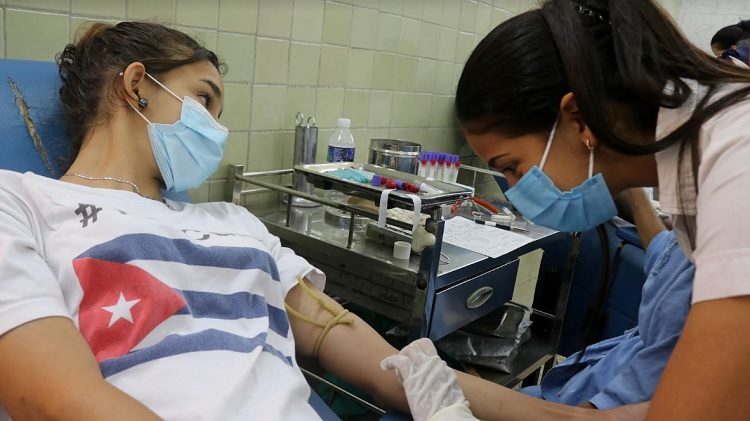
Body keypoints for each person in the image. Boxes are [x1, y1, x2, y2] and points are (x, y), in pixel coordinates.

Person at [0, 20, 646, 421]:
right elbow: (54, 399)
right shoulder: (19, 203)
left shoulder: (236, 225)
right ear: (138, 85)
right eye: (203, 100)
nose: (216, 130)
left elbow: (392, 369)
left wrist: (572, 420)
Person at [450, 0, 750, 418]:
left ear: (579, 120)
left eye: (512, 167)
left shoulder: (737, 166)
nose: (516, 191)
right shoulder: (697, 160)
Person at [521, 188, 693, 408]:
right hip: (571, 391)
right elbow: (662, 248)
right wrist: (632, 192)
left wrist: (475, 391)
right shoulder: (683, 251)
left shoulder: (692, 293)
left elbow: (591, 413)